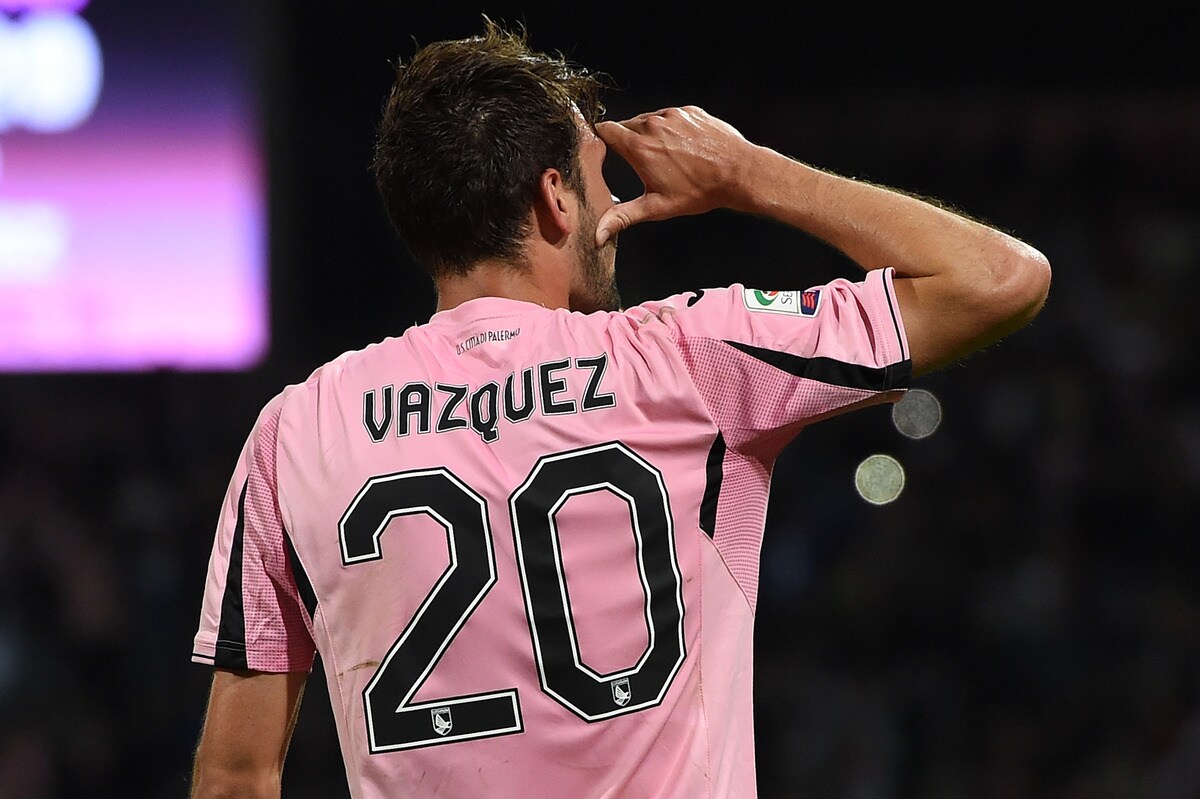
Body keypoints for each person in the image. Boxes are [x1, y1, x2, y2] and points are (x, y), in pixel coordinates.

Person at [189, 20, 1050, 799]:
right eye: (601, 179)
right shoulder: (686, 357)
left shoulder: (295, 431)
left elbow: (234, 777)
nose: (615, 206)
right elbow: (999, 280)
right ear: (554, 196)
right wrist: (750, 173)